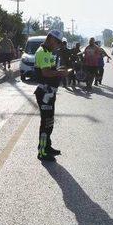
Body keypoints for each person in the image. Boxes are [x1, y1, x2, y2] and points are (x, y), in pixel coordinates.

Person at [34, 30, 69, 162]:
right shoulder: (42, 52)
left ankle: (47, 147)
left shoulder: (49, 52)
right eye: (58, 42)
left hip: (49, 92)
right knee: (45, 124)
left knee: (49, 123)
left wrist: (59, 71)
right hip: (44, 93)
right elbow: (46, 73)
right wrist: (60, 74)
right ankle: (42, 152)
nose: (59, 45)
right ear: (50, 39)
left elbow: (50, 70)